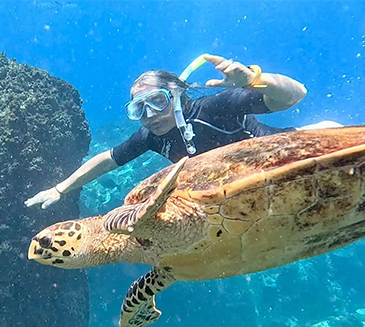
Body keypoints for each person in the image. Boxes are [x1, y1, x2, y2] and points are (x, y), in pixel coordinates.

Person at [25, 54, 310, 210]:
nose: (149, 115)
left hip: (284, 152)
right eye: (139, 109)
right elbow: (106, 160)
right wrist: (60, 188)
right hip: (243, 190)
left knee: (328, 133)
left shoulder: (215, 106)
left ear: (177, 96)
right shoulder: (152, 136)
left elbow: (295, 95)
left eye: (158, 101)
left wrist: (254, 80)